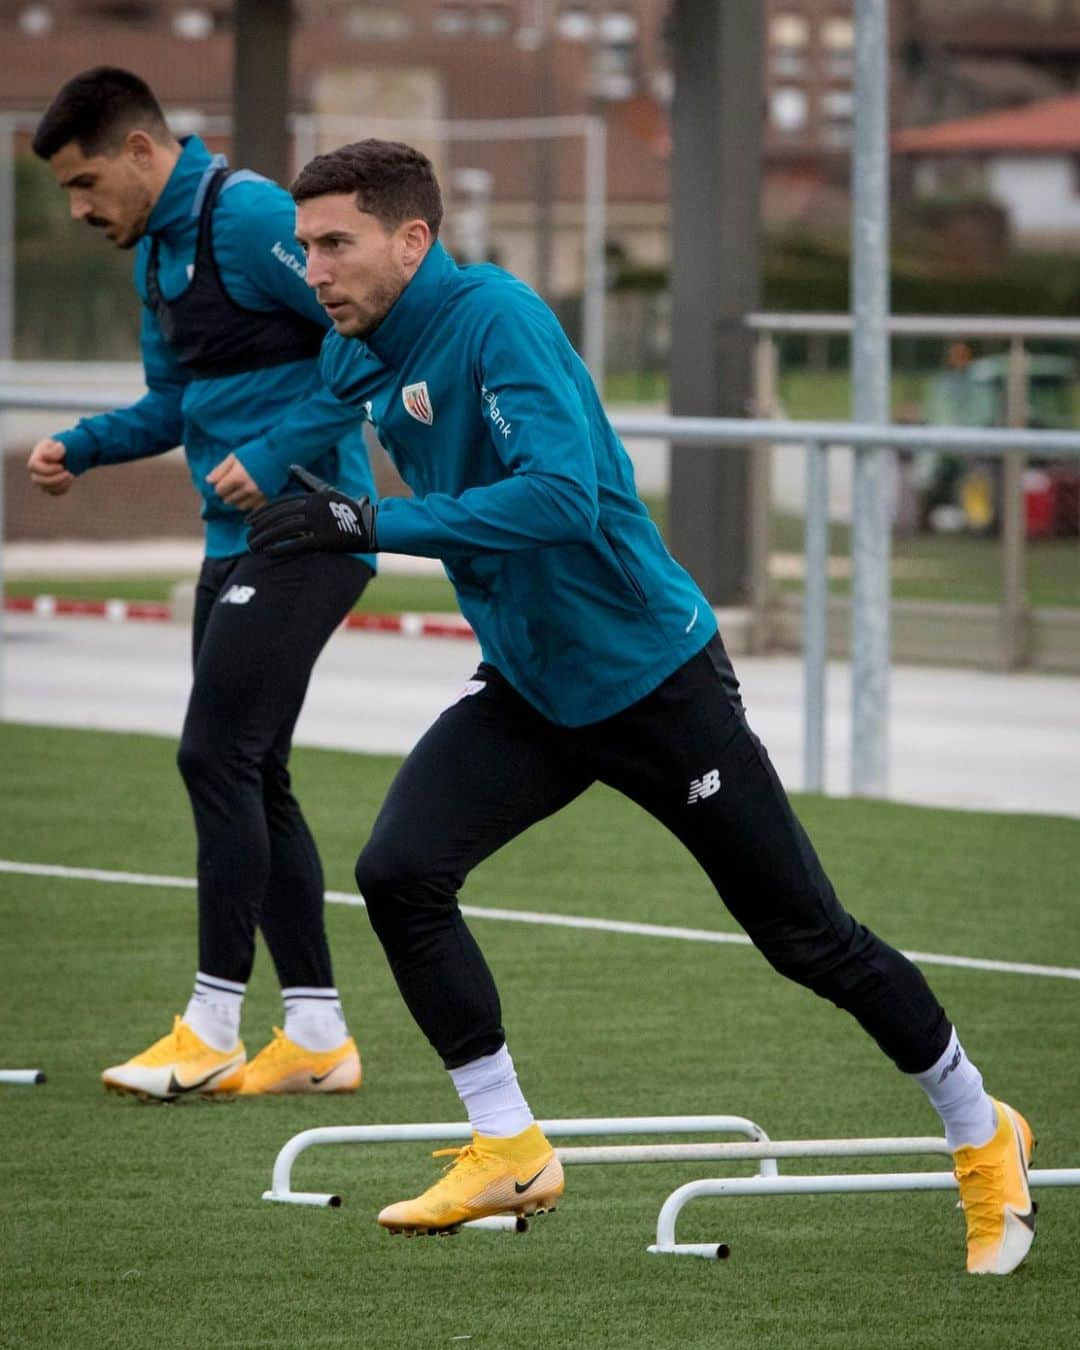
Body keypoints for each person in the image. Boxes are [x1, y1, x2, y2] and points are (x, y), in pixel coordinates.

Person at [248, 139, 1035, 1275]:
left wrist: (370, 523)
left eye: (336, 244)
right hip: (530, 685)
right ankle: (508, 1143)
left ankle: (979, 1128)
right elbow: (318, 418)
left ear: (412, 242)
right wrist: (256, 473)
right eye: (305, 246)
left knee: (807, 937)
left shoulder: (498, 320)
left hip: (650, 680)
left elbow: (562, 499)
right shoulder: (355, 349)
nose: (314, 269)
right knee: (399, 871)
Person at [28, 68, 374, 1101]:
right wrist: (82, 446)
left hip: (307, 530)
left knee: (213, 755)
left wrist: (275, 452)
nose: (82, 209)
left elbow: (359, 341)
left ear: (143, 151)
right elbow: (174, 404)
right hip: (233, 542)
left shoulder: (255, 214)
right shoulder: (159, 256)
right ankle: (316, 1036)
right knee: (253, 773)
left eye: (87, 182)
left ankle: (213, 1022)